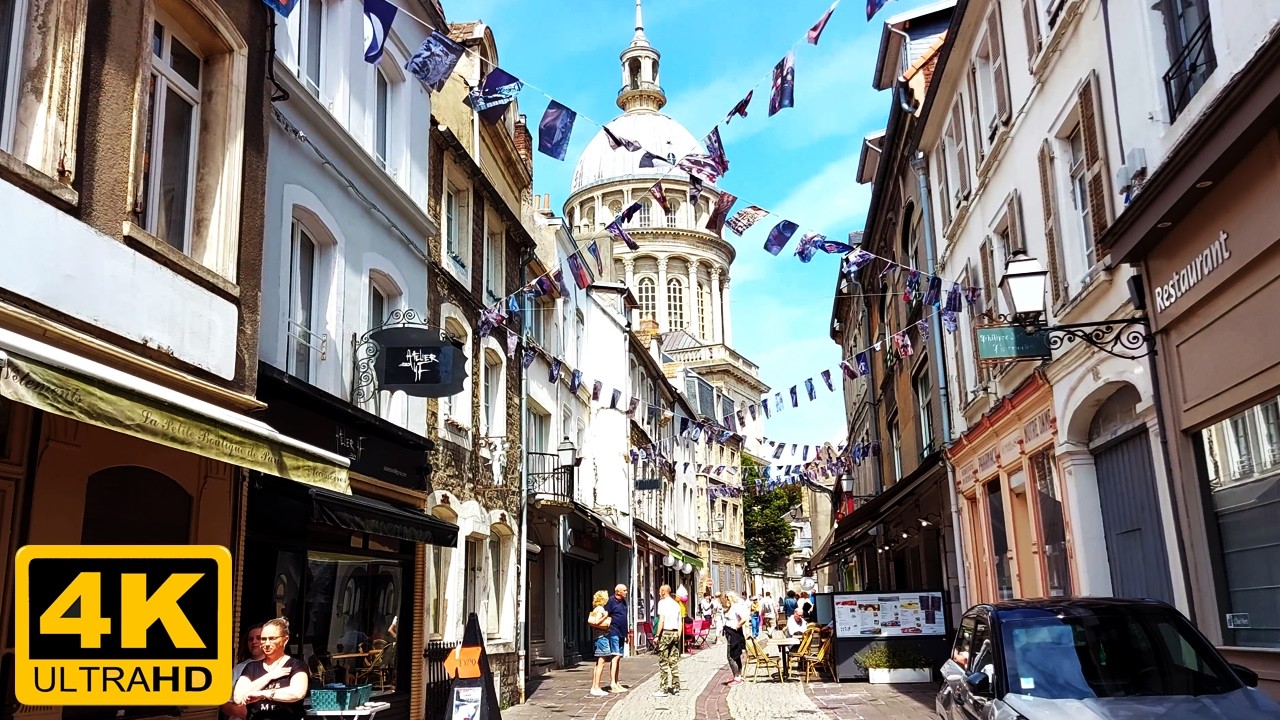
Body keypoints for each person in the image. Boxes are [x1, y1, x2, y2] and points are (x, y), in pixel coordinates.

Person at [233, 618, 309, 720]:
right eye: (263, 639)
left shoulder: (296, 666)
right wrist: (270, 676)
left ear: (285, 640)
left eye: (272, 638)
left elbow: (297, 693)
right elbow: (238, 698)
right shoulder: (251, 667)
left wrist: (262, 694)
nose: (267, 643)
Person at [221, 623, 264, 720]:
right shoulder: (238, 669)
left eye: (259, 638)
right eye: (250, 639)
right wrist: (244, 713)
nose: (254, 642)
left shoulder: (280, 667)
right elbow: (223, 703)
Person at [652, 584, 684, 697]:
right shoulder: (676, 604)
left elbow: (661, 620)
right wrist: (678, 635)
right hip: (675, 633)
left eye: (660, 591)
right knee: (673, 661)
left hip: (666, 632)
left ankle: (663, 688)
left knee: (663, 661)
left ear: (663, 592)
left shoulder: (662, 603)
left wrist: (657, 635)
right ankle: (676, 687)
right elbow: (680, 621)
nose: (659, 593)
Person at [603, 584, 630, 693]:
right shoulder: (611, 601)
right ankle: (612, 683)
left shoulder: (623, 602)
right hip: (614, 631)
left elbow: (624, 618)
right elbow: (605, 614)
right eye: (624, 590)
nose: (626, 592)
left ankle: (617, 681)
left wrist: (627, 633)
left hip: (622, 632)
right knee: (615, 656)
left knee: (619, 657)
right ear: (618, 592)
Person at [587, 590, 613, 697]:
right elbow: (597, 622)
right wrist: (605, 616)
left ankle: (595, 686)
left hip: (599, 637)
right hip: (602, 638)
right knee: (601, 663)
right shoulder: (601, 609)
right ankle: (596, 687)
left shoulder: (596, 608)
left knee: (598, 663)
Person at [721, 592, 748, 686]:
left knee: (731, 656)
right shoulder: (730, 607)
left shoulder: (736, 607)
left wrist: (737, 626)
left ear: (730, 598)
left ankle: (737, 677)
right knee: (735, 654)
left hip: (734, 633)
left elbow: (744, 618)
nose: (725, 599)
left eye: (727, 598)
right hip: (729, 632)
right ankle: (738, 676)